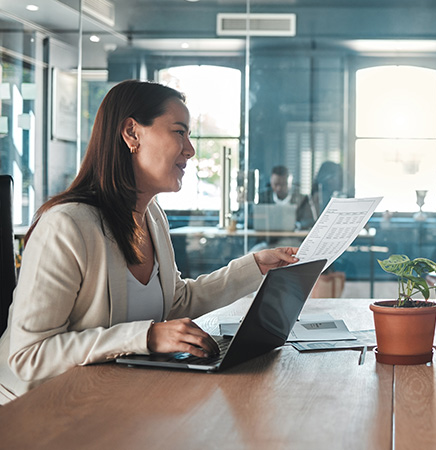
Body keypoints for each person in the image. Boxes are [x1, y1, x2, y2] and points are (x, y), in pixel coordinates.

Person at [0, 80, 299, 405]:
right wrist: (147, 336)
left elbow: (175, 302)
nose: (190, 149)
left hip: (112, 397)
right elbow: (29, 355)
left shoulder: (152, 217)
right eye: (179, 132)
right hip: (38, 408)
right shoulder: (66, 226)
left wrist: (255, 266)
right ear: (132, 133)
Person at [296, 161, 343, 230]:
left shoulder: (337, 197)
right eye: (337, 176)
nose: (340, 180)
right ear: (328, 178)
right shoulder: (315, 199)